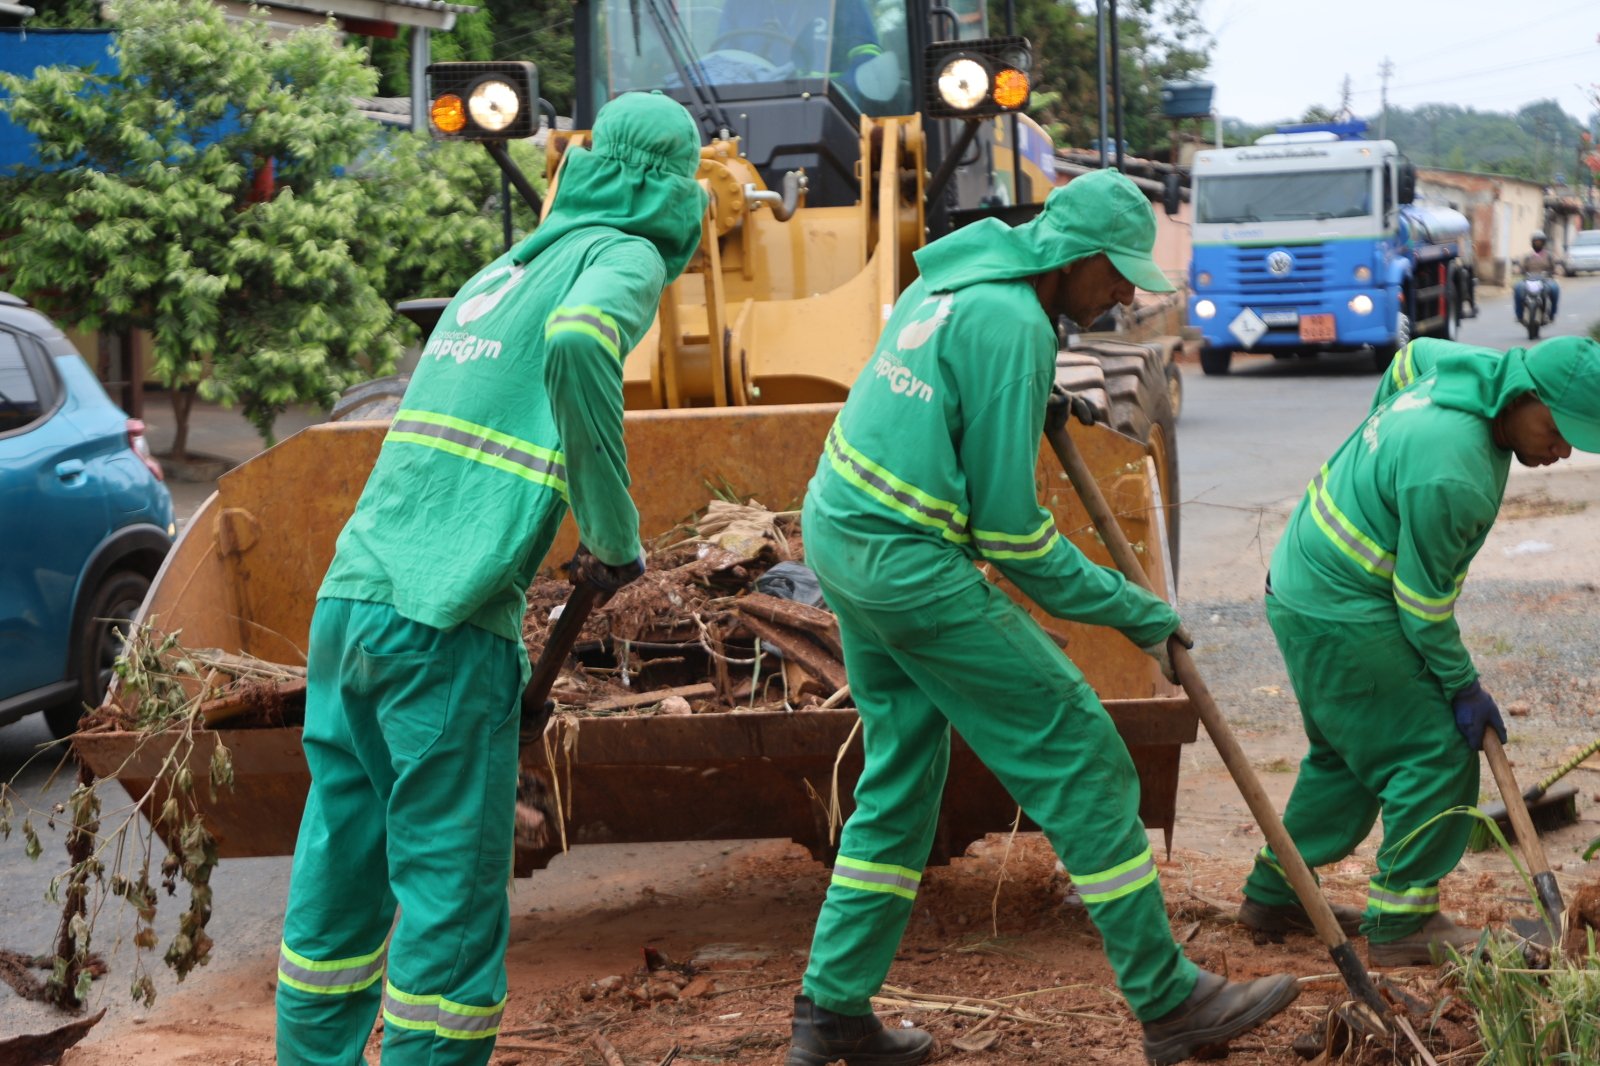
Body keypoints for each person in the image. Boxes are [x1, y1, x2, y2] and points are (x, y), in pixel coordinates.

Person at [785, 169, 1300, 1066]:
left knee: (902, 774)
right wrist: (1134, 610)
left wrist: (1034, 402)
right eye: (1116, 273)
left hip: (839, 533)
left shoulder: (950, 282)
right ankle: (1168, 999)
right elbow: (1015, 540)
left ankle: (831, 1014)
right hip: (908, 564)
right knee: (1082, 749)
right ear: (1072, 257)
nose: (1126, 295)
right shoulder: (1014, 323)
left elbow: (947, 401)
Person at [273, 92, 706, 1066]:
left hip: (353, 602)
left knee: (340, 876)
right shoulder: (621, 253)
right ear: (680, 189)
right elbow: (583, 344)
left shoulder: (504, 269)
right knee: (449, 902)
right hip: (444, 620)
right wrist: (610, 532)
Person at [1239, 336, 1600, 966]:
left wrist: (1383, 451)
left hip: (1304, 579)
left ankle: (1279, 892)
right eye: (1556, 429)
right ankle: (1404, 922)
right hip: (1343, 604)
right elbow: (1423, 604)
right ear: (1524, 395)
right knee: (1433, 746)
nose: (1562, 449)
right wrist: (1463, 687)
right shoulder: (1454, 470)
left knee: (1350, 757)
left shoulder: (1468, 370)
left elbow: (1409, 358)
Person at [1512, 230, 1560, 321]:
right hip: (1528, 280)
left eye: (1539, 242)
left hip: (1546, 280)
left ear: (1543, 243)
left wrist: (1557, 270)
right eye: (1535, 242)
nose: (1537, 244)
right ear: (1532, 243)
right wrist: (1517, 269)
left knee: (1555, 289)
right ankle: (1519, 315)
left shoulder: (1549, 255)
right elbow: (1520, 266)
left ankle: (1552, 314)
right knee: (1517, 288)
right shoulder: (1527, 256)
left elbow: (1556, 266)